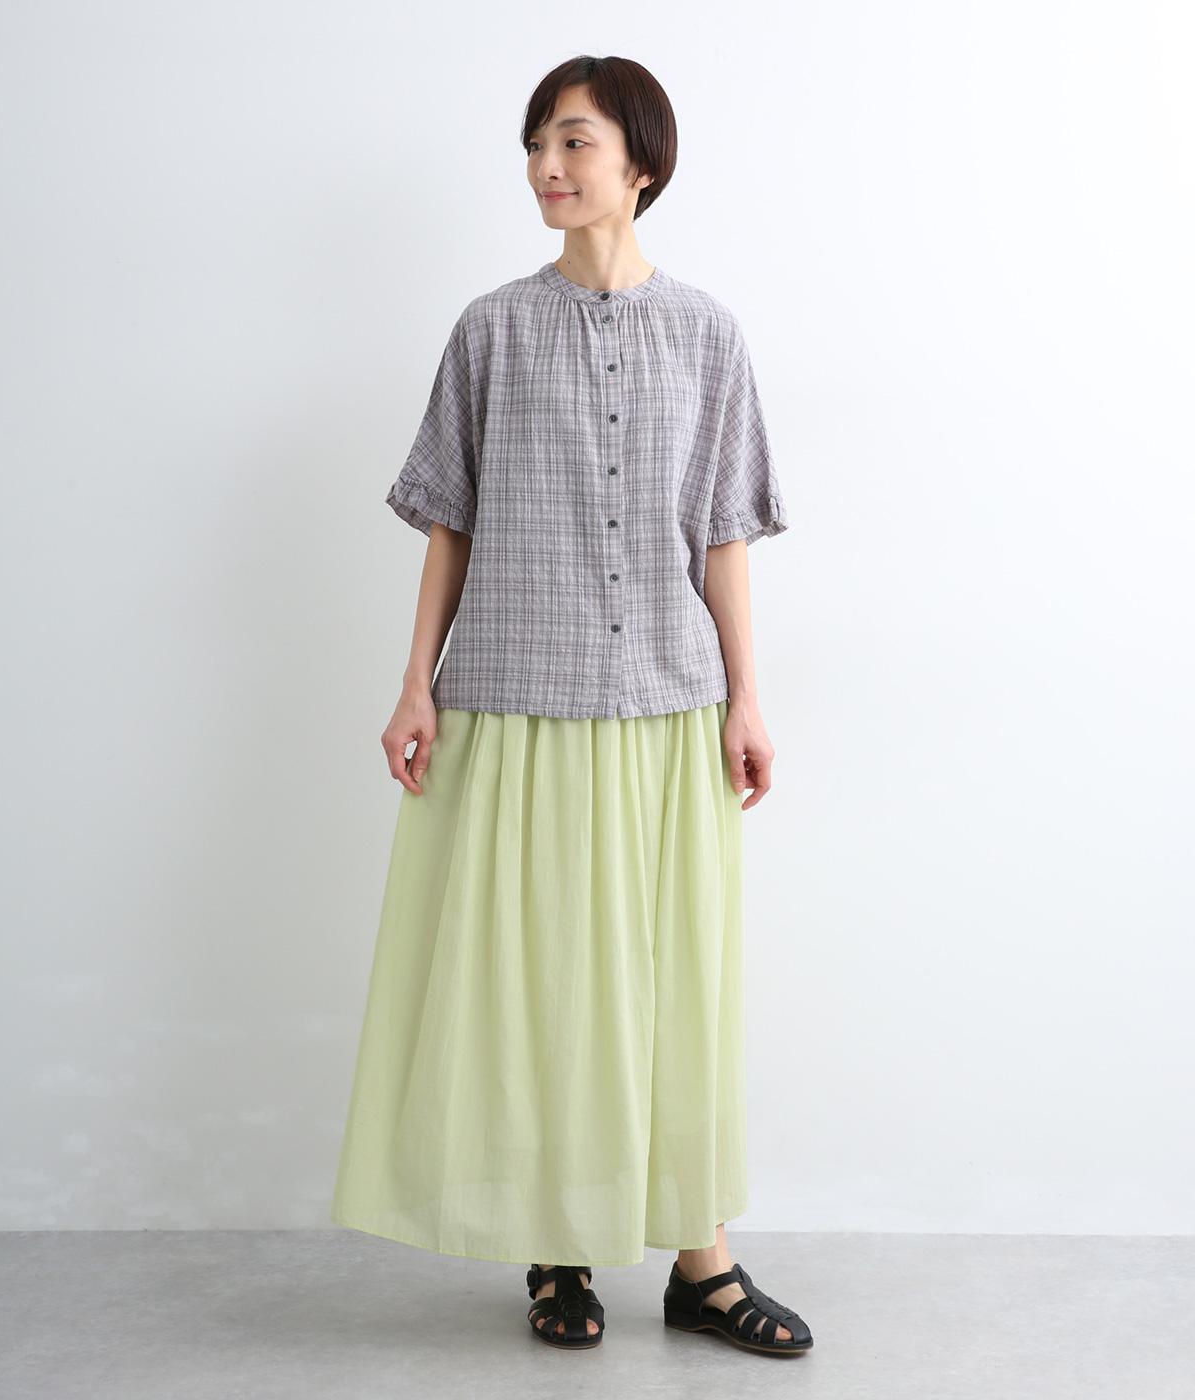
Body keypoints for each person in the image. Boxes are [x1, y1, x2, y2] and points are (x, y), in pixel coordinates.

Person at [330, 53, 814, 1357]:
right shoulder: (490, 329)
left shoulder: (708, 334)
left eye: (574, 142)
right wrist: (415, 682)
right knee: (544, 982)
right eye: (537, 144)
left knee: (672, 984)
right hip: (517, 701)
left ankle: (703, 1266)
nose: (547, 166)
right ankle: (559, 1249)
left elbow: (723, 534)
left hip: (665, 703)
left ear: (641, 164)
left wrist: (747, 699)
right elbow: (449, 520)